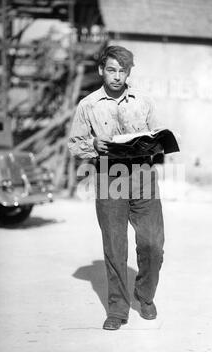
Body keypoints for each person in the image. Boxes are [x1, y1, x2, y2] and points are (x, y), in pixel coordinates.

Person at [68, 45, 165, 330]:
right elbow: (75, 143)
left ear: (128, 73)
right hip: (109, 177)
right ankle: (118, 310)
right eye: (111, 70)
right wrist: (93, 145)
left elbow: (158, 136)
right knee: (114, 247)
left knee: (152, 245)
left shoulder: (144, 101)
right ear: (101, 70)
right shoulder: (88, 105)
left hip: (143, 176)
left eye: (123, 71)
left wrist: (156, 144)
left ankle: (145, 296)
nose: (117, 77)